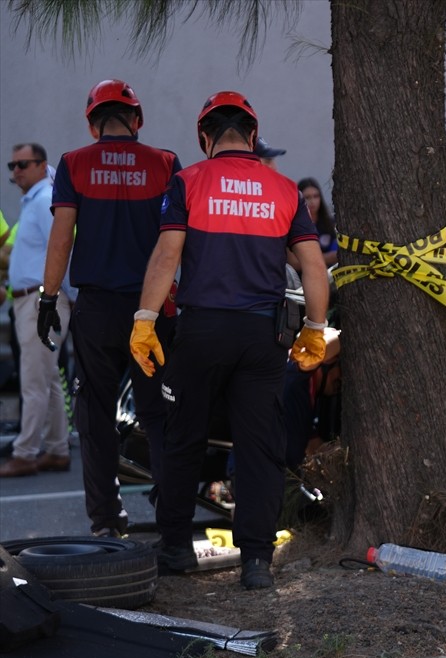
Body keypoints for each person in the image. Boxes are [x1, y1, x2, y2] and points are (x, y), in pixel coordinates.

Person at [131, 91, 330, 589]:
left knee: (183, 439)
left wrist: (145, 321)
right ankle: (257, 562)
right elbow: (312, 266)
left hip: (200, 332)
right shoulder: (284, 190)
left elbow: (166, 256)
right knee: (259, 445)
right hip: (263, 335)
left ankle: (175, 549)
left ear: (205, 137)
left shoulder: (189, 182)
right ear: (254, 135)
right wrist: (315, 329)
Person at [35, 80, 182, 533]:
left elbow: (62, 239)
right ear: (137, 120)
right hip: (153, 311)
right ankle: (172, 521)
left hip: (95, 311)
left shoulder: (74, 164)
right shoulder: (165, 164)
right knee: (160, 415)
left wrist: (47, 299)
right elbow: (178, 240)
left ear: (92, 122)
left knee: (95, 416)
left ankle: (106, 522)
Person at [0, 143, 72, 478]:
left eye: (23, 164)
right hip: (37, 299)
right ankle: (57, 449)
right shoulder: (39, 200)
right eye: (12, 165)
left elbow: (61, 248)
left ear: (42, 165)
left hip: (40, 301)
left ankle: (25, 452)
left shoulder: (44, 201)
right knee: (47, 379)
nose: (16, 171)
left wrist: (52, 298)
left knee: (34, 380)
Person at [298, 178, 338, 267]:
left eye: (316, 196)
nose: (312, 202)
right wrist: (328, 257)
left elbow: (336, 248)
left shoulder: (331, 223)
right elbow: (295, 263)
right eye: (307, 197)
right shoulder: (295, 226)